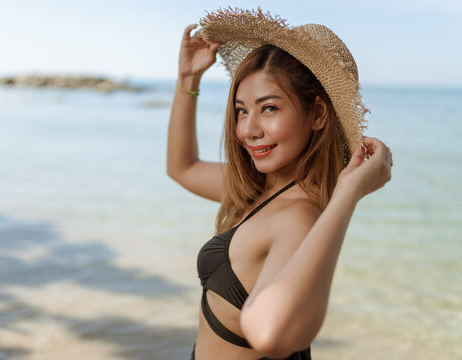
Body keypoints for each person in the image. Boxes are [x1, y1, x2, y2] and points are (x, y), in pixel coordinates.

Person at [166, 8, 392, 360]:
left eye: (268, 108)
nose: (248, 130)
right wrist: (188, 79)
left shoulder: (298, 216)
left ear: (317, 113)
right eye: (242, 110)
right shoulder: (262, 189)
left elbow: (271, 335)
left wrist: (349, 194)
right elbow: (183, 168)